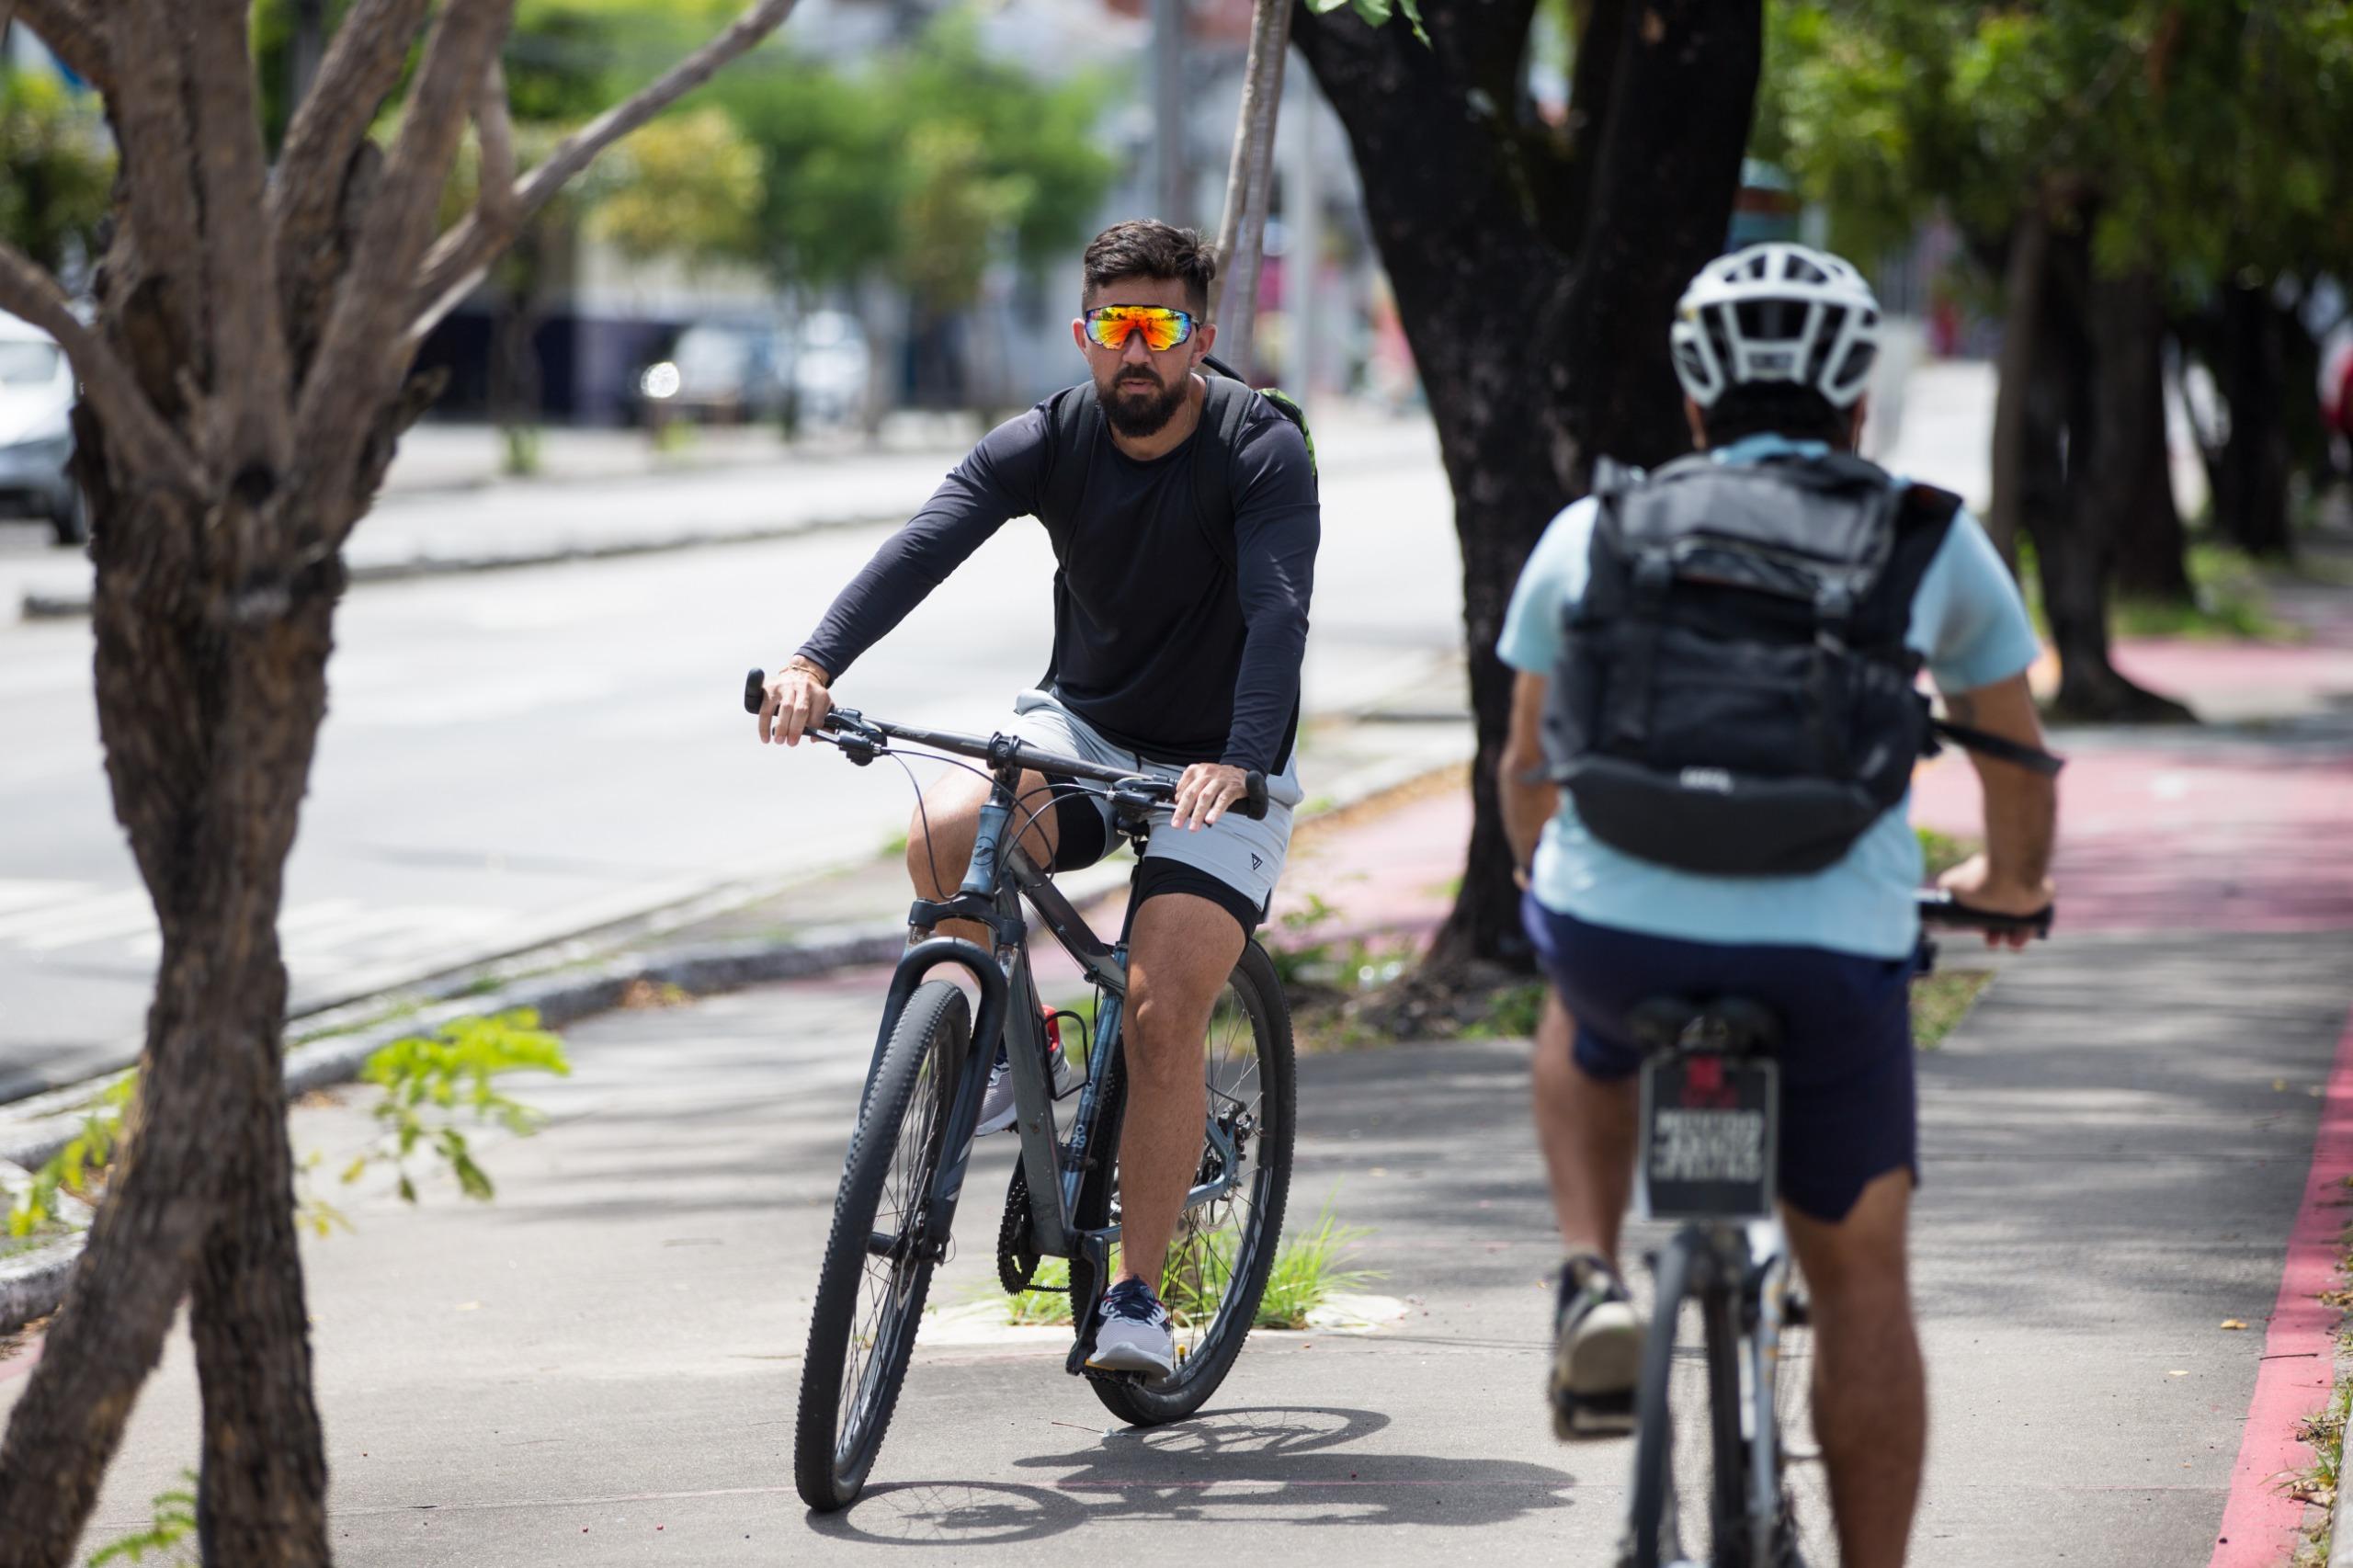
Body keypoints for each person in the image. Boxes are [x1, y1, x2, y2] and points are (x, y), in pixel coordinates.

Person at [1496, 244, 2058, 1568]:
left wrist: (1546, 877)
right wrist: (2010, 888)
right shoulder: (1929, 534)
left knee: (1580, 1021)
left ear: (1691, 402)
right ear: (1860, 400)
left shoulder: (1597, 528)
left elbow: (1526, 764)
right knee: (1859, 1272)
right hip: (1827, 947)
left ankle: (1590, 1274)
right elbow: (2015, 761)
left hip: (1619, 933)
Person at [755, 220, 1320, 1381]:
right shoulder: (1050, 439)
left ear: (1201, 338)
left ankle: (1135, 1299)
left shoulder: (1260, 448)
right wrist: (817, 663)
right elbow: (927, 542)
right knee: (948, 832)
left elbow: (1276, 615)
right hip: (1088, 726)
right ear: (1084, 334)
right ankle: (989, 1055)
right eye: (1114, 329)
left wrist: (1243, 755)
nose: (1135, 355)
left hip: (1219, 767)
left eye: (1159, 329)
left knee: (1165, 1010)